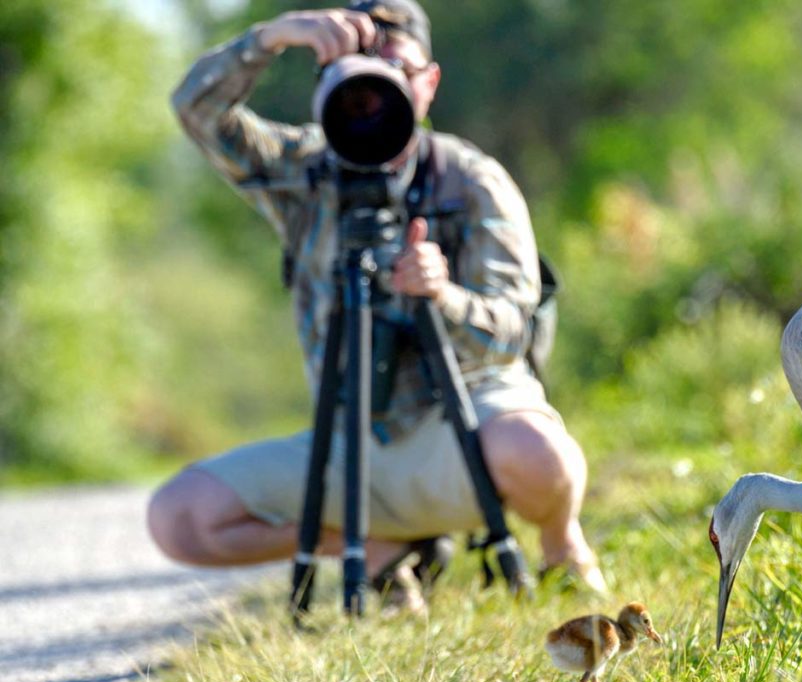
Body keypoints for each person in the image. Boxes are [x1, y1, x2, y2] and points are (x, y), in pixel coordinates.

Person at [147, 0, 606, 600]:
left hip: (464, 424)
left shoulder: (470, 180)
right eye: (361, 75)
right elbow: (194, 107)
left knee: (544, 455)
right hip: (350, 437)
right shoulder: (304, 172)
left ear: (429, 85)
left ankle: (559, 542)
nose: (376, 91)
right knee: (180, 519)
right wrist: (272, 37)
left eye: (397, 72)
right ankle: (378, 548)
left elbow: (511, 336)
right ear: (327, 85)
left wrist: (441, 294)